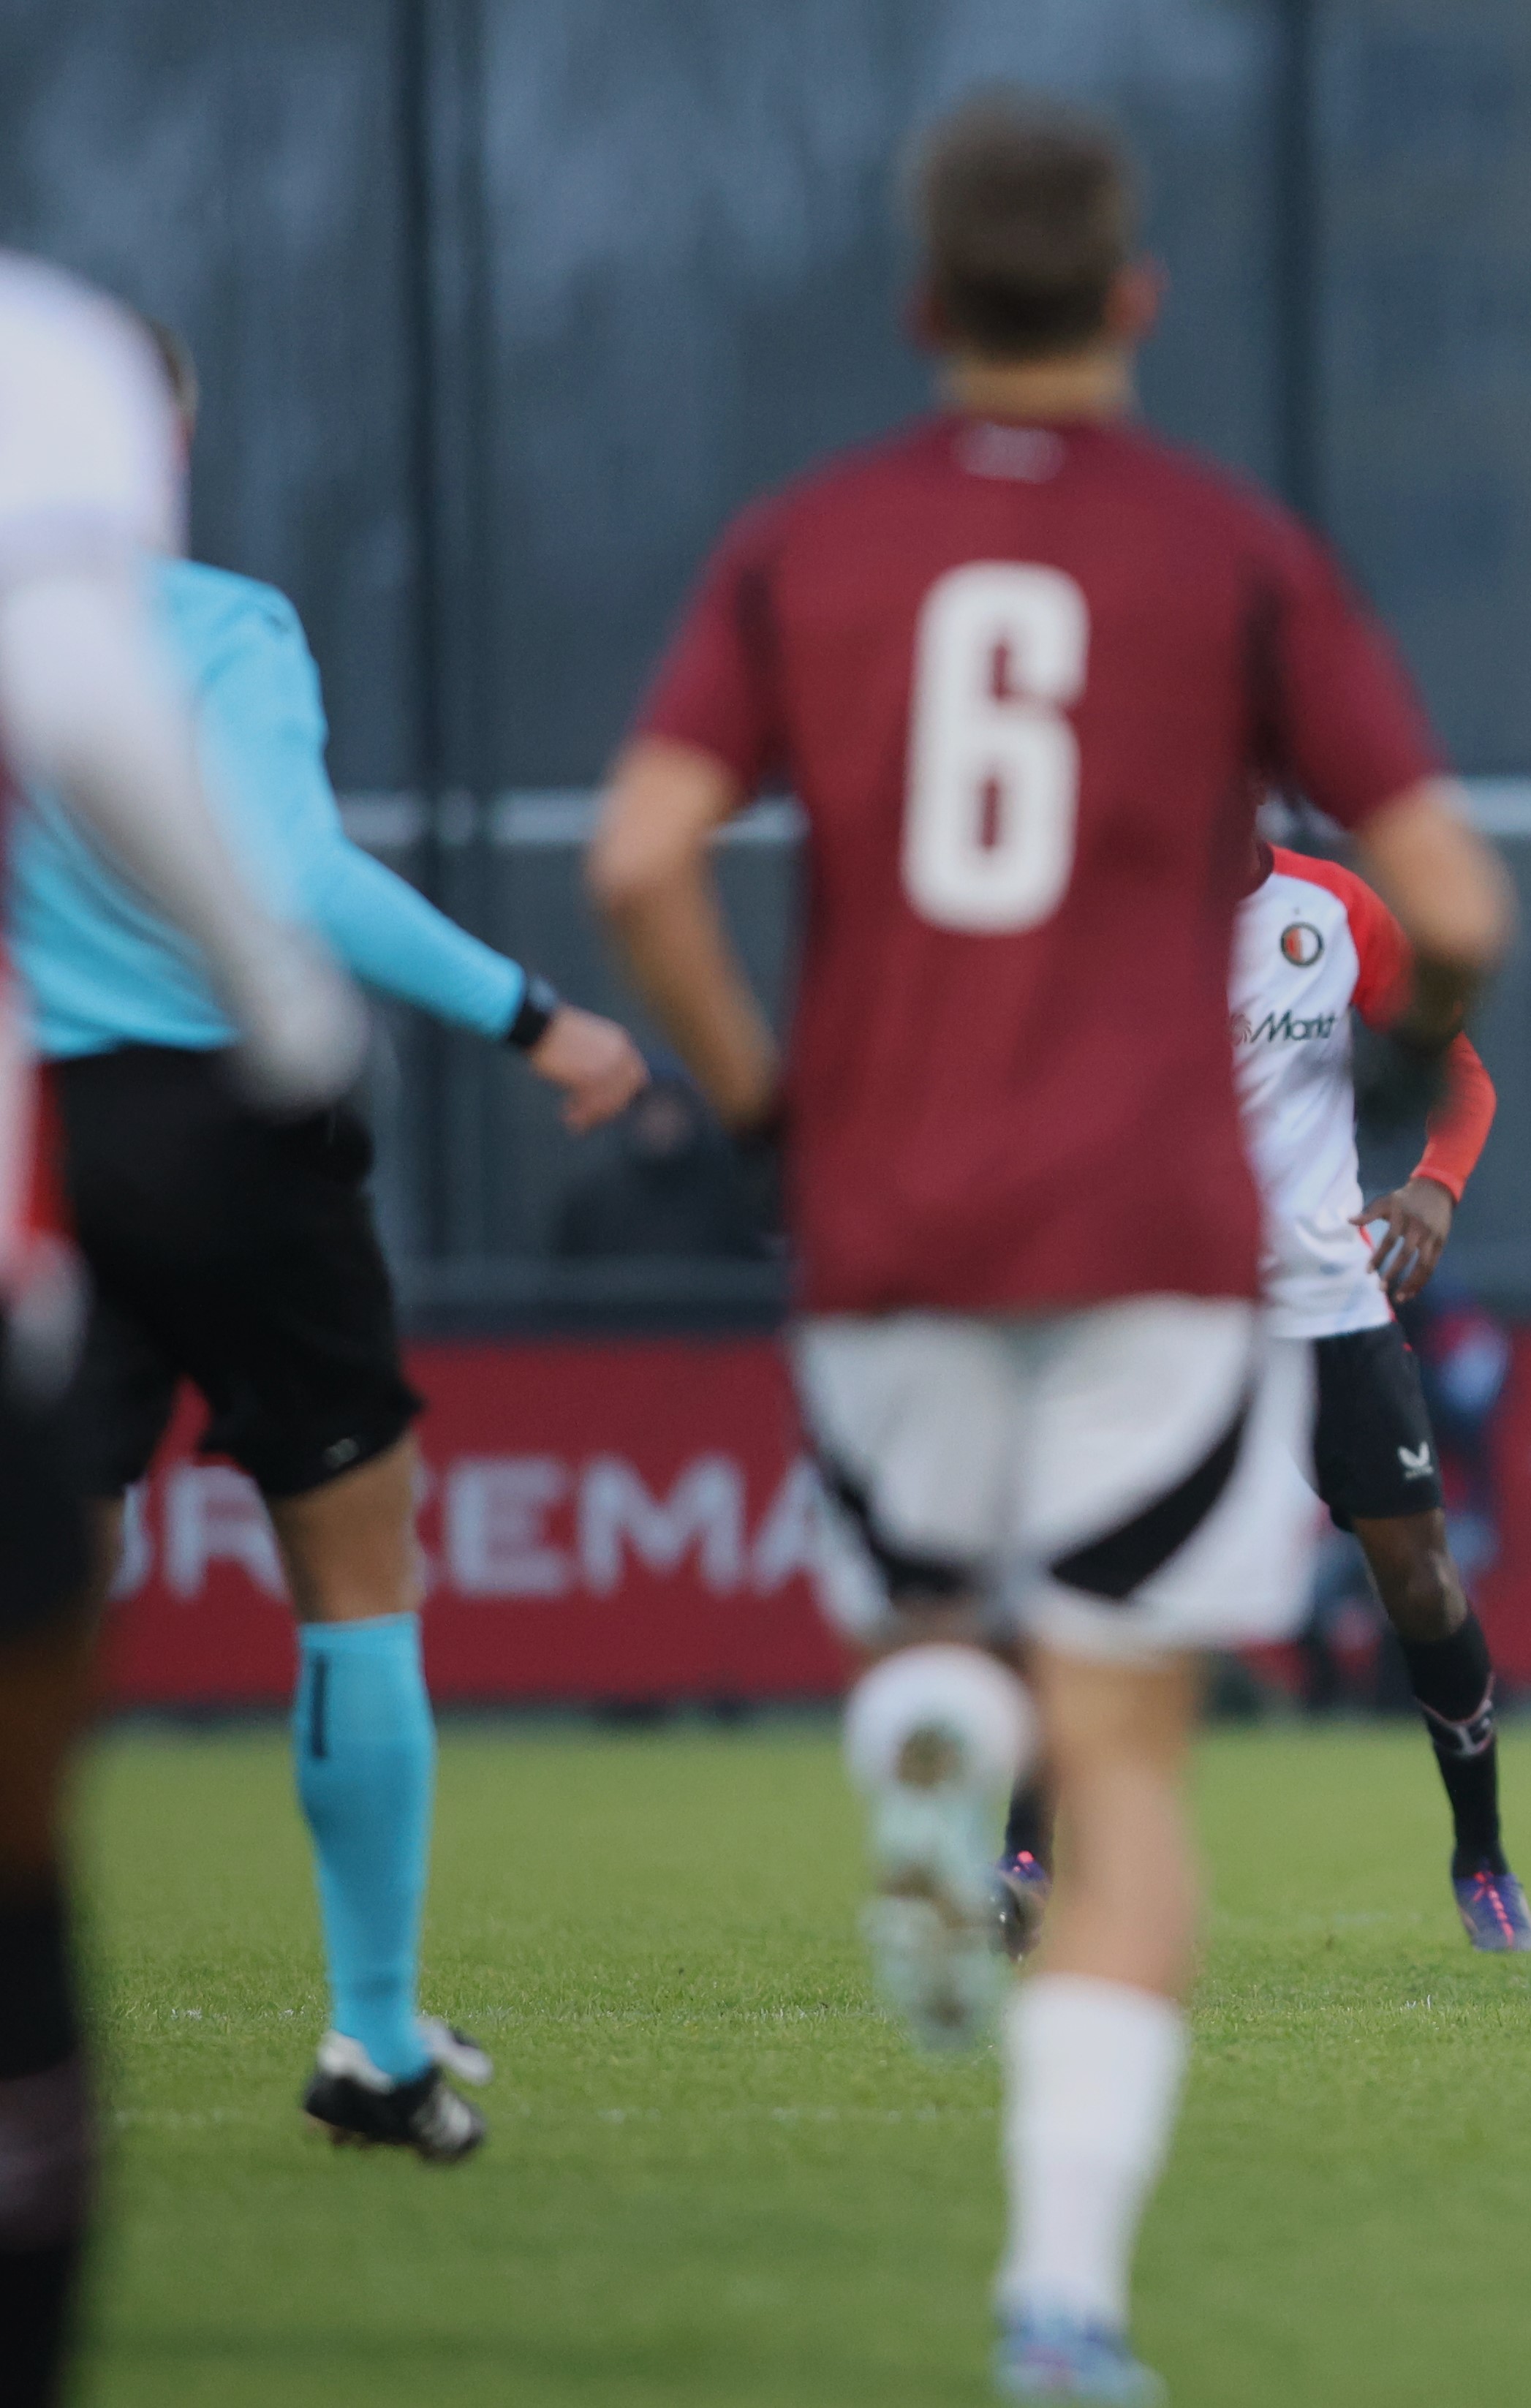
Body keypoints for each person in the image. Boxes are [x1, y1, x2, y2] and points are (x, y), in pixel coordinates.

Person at [587, 96, 1507, 2404]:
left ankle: (924, 1722)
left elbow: (638, 857)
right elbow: (1460, 907)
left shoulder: (804, 543)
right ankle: (1061, 2303)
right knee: (1127, 1766)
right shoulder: (1227, 552)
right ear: (1132, 297)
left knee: (949, 1634)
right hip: (1152, 1245)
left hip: (885, 1217)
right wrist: (1418, 1062)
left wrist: (772, 1109)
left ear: (922, 309)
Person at [10, 322, 650, 2171]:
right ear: (162, 439)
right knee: (355, 1561)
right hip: (226, 1125)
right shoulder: (220, 624)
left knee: (34, 1592)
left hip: (33, 1149)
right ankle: (373, 2030)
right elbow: (289, 870)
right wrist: (536, 1016)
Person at [0, 253, 366, 2408]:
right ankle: (379, 2023)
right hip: (132, 1159)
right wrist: (289, 995)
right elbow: (105, 716)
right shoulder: (46, 361)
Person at [1013, 837, 1531, 1950]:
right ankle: (1021, 1859)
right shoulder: (1110, 907)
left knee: (1421, 1583)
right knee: (1091, 1575)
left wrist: (1438, 1186)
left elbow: (1463, 1073)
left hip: (1326, 1307)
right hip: (1166, 1308)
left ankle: (1484, 1862)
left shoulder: (1334, 907)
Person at [551, 1074, 772, 1261]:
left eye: (670, 1108)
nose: (660, 1120)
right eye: (649, 1108)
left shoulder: (728, 1196)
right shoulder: (594, 1200)